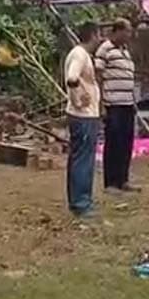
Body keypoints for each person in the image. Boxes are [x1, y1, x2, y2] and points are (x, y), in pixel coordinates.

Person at [95, 18, 139, 192]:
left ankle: (123, 180)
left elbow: (128, 78)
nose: (129, 35)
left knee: (126, 142)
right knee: (113, 142)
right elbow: (98, 77)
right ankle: (111, 183)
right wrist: (101, 104)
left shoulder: (125, 51)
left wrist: (133, 101)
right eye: (127, 31)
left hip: (127, 103)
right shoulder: (105, 49)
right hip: (112, 104)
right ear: (117, 31)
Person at [64, 22, 102, 217]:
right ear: (93, 35)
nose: (100, 39)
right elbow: (72, 78)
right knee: (83, 160)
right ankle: (81, 203)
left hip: (83, 115)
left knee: (78, 158)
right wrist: (79, 98)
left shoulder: (79, 54)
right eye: (99, 35)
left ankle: (77, 200)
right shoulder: (79, 54)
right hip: (83, 116)